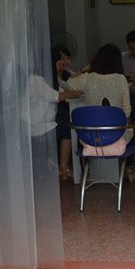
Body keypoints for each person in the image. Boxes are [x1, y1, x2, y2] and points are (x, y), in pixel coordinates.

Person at [67, 44, 134, 178]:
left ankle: (86, 171)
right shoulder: (121, 79)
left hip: (90, 137)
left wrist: (84, 69)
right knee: (129, 124)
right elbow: (126, 111)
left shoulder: (87, 78)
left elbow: (69, 82)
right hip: (115, 135)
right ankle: (128, 168)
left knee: (82, 130)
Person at [52, 46, 82, 181]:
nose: (64, 62)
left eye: (67, 58)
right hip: (55, 111)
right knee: (68, 127)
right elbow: (64, 92)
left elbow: (72, 87)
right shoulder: (49, 77)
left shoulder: (67, 73)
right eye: (61, 59)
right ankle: (64, 167)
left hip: (63, 107)